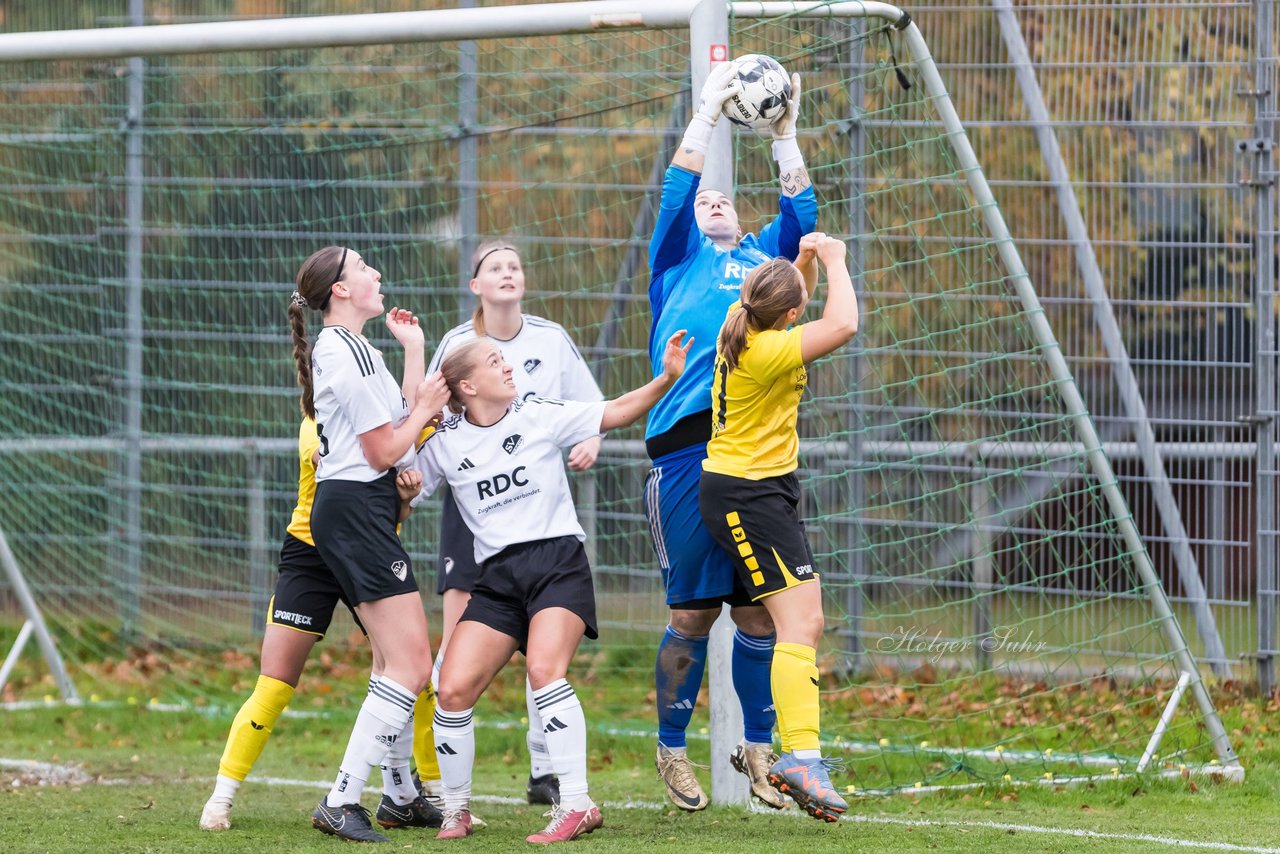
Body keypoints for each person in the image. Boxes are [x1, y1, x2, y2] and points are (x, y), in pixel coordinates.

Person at [407, 329, 691, 843]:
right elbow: (405, 487)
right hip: (496, 581)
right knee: (449, 687)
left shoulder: (536, 412)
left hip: (557, 563)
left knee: (544, 671)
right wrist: (400, 488)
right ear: (467, 386)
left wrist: (666, 378)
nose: (509, 367)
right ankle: (456, 810)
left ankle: (576, 804)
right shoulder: (446, 444)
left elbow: (617, 411)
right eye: (497, 361)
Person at [645, 61, 817, 810]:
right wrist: (707, 114)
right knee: (692, 613)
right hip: (685, 453)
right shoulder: (678, 258)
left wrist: (785, 134)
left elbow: (804, 222)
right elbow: (674, 193)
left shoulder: (762, 269)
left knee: (757, 613)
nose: (711, 199)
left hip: (748, 459)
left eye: (724, 196)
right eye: (703, 198)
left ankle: (758, 747)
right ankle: (672, 747)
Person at [411, 239, 605, 810]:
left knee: (543, 654)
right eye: (494, 266)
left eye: (514, 265)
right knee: (453, 657)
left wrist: (590, 438)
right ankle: (429, 782)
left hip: (539, 514)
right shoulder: (456, 347)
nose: (507, 273)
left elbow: (589, 404)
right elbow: (424, 418)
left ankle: (547, 770)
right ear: (475, 284)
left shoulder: (549, 338)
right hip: (475, 514)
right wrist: (406, 475)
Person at [198, 417, 442, 834]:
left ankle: (424, 795)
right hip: (310, 555)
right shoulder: (320, 423)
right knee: (274, 683)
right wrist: (415, 424)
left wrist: (405, 496)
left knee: (413, 672)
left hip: (366, 553)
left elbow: (391, 502)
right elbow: (348, 461)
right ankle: (221, 797)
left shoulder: (387, 418)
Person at [288, 245, 450, 843]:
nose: (376, 274)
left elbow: (399, 433)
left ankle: (401, 795)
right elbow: (386, 451)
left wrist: (414, 354)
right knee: (410, 664)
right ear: (340, 290)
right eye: (363, 269)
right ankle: (341, 797)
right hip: (354, 510)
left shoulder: (360, 349)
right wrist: (430, 408)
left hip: (365, 508)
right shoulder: (341, 350)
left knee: (391, 661)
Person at [699, 233, 859, 821]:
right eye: (797, 305)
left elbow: (795, 308)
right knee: (802, 620)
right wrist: (836, 259)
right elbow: (842, 324)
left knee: (795, 622)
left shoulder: (750, 325)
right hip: (747, 495)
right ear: (789, 315)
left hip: (760, 490)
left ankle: (799, 755)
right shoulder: (765, 349)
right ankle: (798, 757)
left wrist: (803, 266)